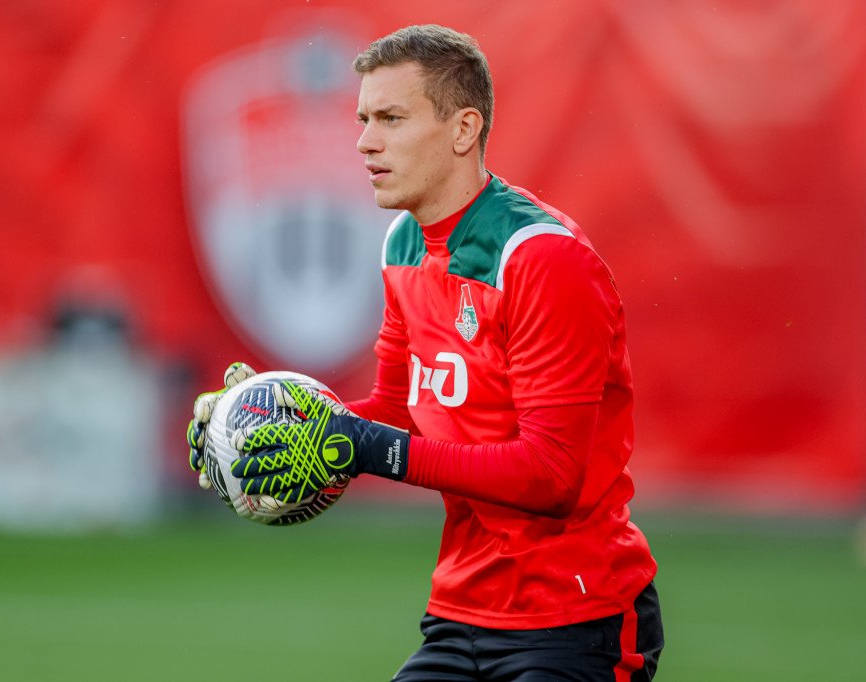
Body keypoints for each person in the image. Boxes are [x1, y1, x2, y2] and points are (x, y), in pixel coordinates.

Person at [188, 24, 663, 681]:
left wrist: (365, 446)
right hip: (463, 609)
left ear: (463, 129)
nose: (364, 142)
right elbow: (397, 412)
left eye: (391, 119)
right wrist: (261, 426)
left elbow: (552, 476)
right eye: (363, 119)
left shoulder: (542, 259)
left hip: (577, 615)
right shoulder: (403, 245)